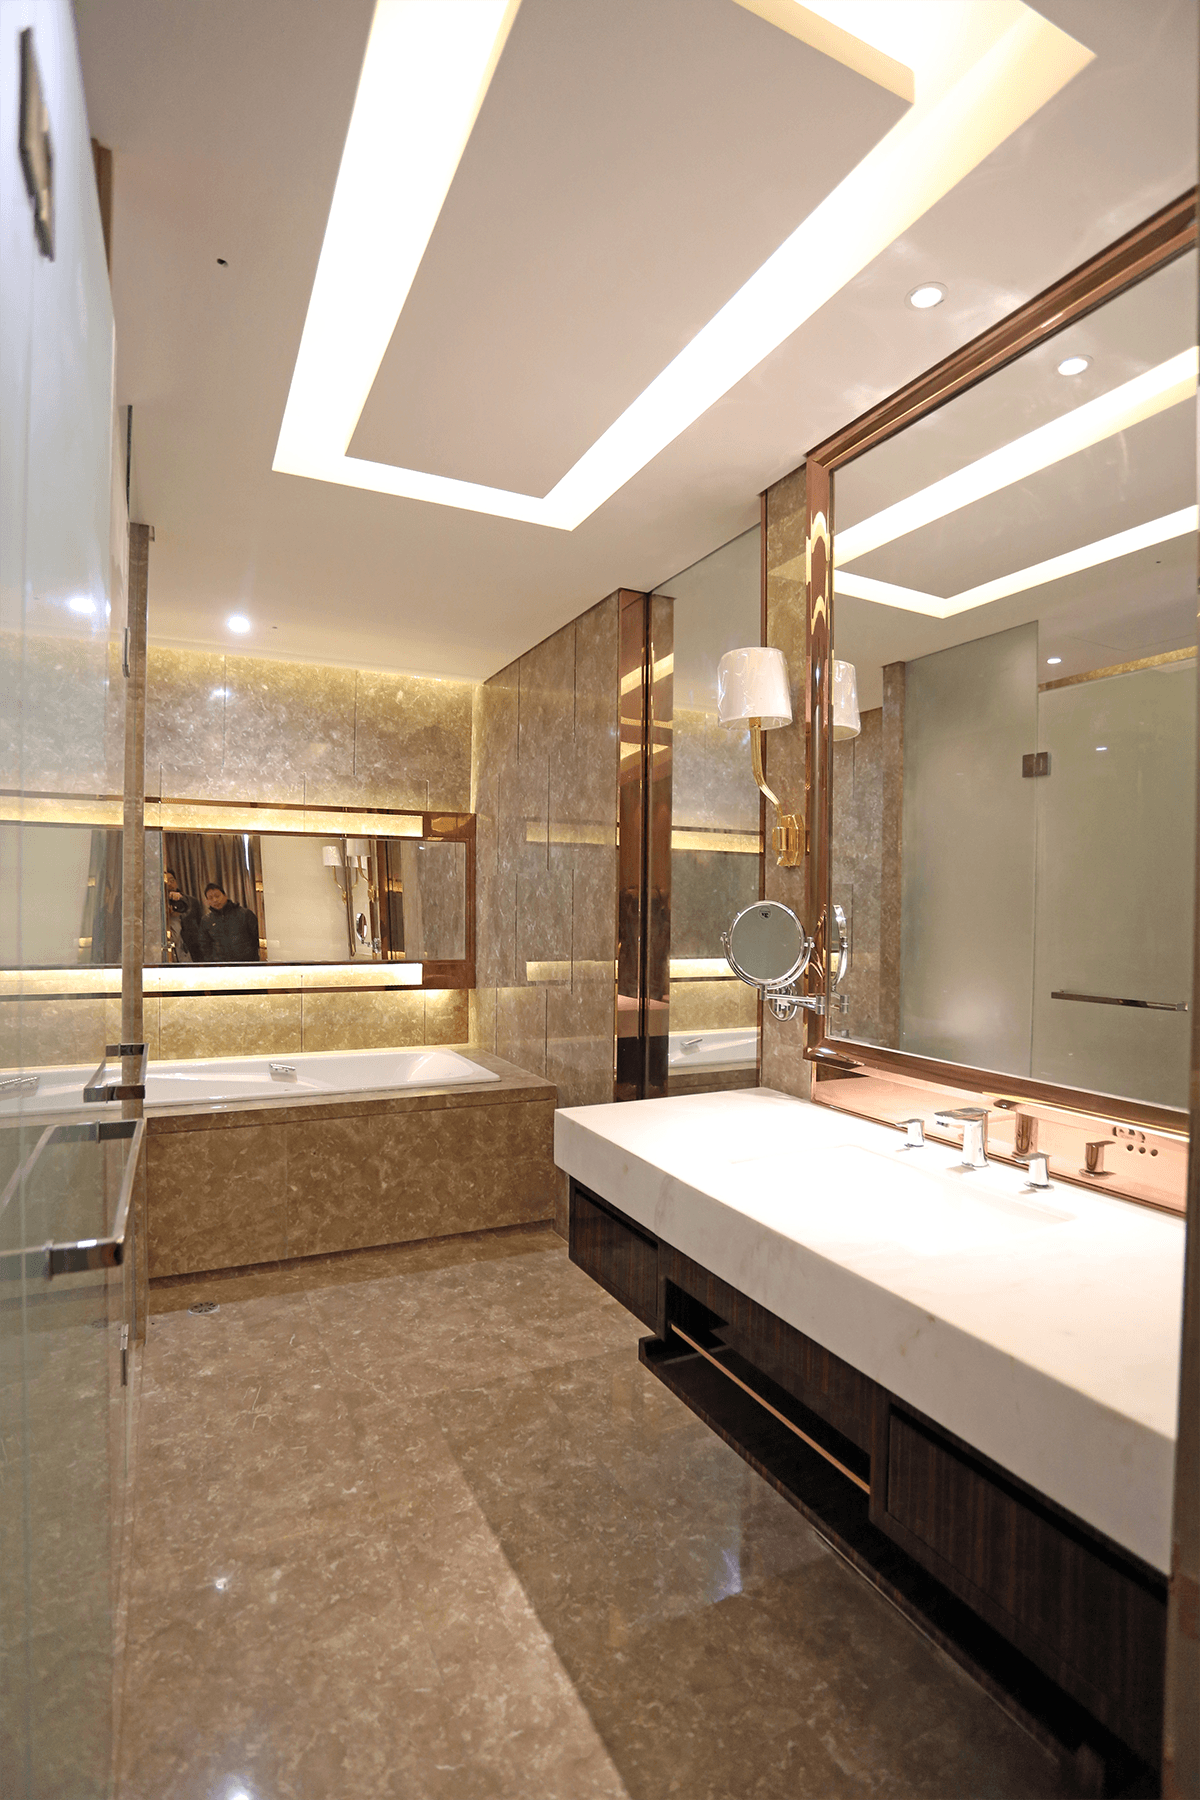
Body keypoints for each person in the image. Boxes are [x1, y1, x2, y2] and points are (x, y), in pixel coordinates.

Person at [199, 882, 262, 961]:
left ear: (225, 896)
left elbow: (257, 937)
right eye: (210, 898)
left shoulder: (244, 914)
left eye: (217, 896)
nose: (215, 900)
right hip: (221, 965)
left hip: (246, 963)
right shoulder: (206, 920)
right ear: (207, 901)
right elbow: (205, 945)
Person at [163, 867, 205, 961]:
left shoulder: (191, 901)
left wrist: (180, 900)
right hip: (170, 954)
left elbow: (200, 928)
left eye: (172, 880)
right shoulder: (156, 906)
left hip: (191, 952)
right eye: (166, 881)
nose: (169, 884)